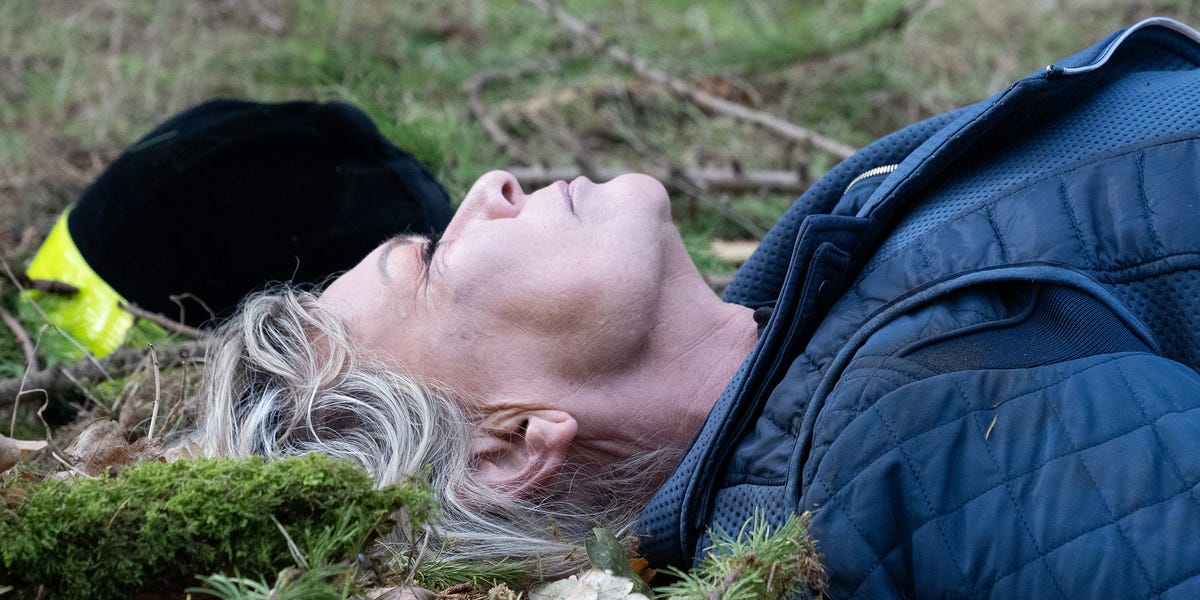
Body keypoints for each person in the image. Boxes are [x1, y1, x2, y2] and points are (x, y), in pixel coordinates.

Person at [198, 17, 1200, 598]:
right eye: (430, 262)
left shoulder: (820, 334)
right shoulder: (903, 445)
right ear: (509, 444)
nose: (489, 186)